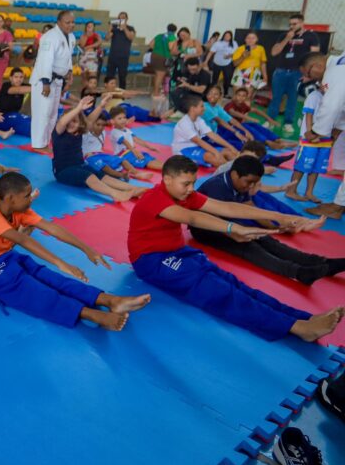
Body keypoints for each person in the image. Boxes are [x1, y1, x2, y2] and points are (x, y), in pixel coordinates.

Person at [127, 155, 342, 342]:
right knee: (219, 290)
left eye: (193, 182)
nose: (191, 188)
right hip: (151, 261)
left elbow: (227, 207)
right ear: (167, 179)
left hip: (179, 252)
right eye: (186, 183)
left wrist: (279, 216)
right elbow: (192, 217)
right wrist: (233, 228)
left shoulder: (185, 194)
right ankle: (295, 328)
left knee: (233, 283)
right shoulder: (154, 198)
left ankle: (302, 318)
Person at [0, 172, 150, 330]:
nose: (31, 199)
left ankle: (109, 300)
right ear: (11, 199)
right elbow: (23, 239)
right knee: (31, 289)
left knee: (51, 278)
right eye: (27, 196)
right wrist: (62, 263)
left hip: (7, 257)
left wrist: (86, 248)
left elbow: (52, 228)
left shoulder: (18, 210)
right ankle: (89, 314)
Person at [191, 155, 343, 285]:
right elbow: (212, 219)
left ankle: (322, 262)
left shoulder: (241, 185)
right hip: (206, 228)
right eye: (248, 182)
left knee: (267, 240)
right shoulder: (217, 186)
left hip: (228, 222)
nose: (251, 186)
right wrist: (234, 233)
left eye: (254, 183)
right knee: (250, 246)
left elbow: (251, 209)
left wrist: (272, 228)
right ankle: (299, 273)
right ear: (235, 174)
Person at [52, 96, 149, 202]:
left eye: (75, 121)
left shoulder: (79, 131)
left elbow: (90, 120)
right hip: (63, 170)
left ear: (80, 124)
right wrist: (79, 107)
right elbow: (62, 122)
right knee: (90, 177)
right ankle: (116, 194)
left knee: (103, 176)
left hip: (80, 165)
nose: (71, 124)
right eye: (69, 121)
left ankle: (133, 189)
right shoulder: (59, 132)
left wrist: (101, 106)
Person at [306, 51, 345, 220]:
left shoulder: (335, 71)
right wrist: (337, 129)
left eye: (308, 74)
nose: (309, 79)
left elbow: (332, 106)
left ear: (317, 66)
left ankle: (337, 207)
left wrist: (316, 131)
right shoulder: (339, 62)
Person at [30, 10, 76, 150]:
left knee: (52, 114)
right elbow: (45, 60)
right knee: (42, 113)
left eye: (73, 22)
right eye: (67, 22)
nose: (71, 25)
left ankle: (46, 141)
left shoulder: (71, 37)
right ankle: (38, 145)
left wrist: (69, 72)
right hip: (44, 81)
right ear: (59, 22)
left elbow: (68, 58)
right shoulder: (49, 37)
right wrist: (45, 82)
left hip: (58, 80)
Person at [268, 14, 321, 134]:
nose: (292, 26)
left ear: (302, 23)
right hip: (280, 71)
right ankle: (270, 120)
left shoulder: (311, 36)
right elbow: (274, 52)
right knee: (276, 98)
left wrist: (308, 74)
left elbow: (314, 56)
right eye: (290, 24)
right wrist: (287, 39)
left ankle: (288, 123)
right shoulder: (284, 35)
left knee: (292, 99)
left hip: (297, 73)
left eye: (294, 24)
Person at [82, 97, 152, 181]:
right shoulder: (86, 133)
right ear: (92, 124)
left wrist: (126, 121)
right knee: (104, 167)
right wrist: (100, 106)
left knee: (122, 160)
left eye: (103, 125)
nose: (101, 127)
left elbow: (114, 122)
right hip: (90, 157)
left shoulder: (103, 132)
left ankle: (137, 173)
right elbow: (87, 122)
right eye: (98, 125)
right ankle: (122, 175)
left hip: (101, 155)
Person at [286, 82, 332, 203]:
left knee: (317, 167)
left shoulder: (333, 98)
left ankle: (309, 192)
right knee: (302, 165)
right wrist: (310, 133)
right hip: (310, 138)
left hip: (325, 138)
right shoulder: (314, 96)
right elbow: (309, 114)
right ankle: (291, 190)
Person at [172, 94, 238, 167]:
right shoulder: (184, 123)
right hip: (184, 150)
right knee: (215, 158)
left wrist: (231, 147)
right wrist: (216, 152)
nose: (205, 108)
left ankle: (242, 170)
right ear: (193, 108)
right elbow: (198, 141)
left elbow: (212, 135)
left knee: (228, 152)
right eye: (202, 106)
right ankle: (233, 172)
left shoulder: (199, 120)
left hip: (197, 147)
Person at [0, 68, 32, 136]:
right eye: (16, 77)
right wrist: (37, 88)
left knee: (30, 120)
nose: (19, 79)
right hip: (2, 118)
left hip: (16, 115)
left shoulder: (24, 85)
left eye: (21, 77)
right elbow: (18, 90)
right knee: (25, 124)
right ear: (11, 78)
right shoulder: (6, 85)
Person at [105, 11, 135, 88]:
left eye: (123, 18)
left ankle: (122, 92)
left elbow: (131, 37)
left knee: (122, 76)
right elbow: (107, 38)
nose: (121, 19)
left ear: (127, 19)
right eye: (120, 18)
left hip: (123, 57)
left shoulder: (130, 28)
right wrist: (109, 29)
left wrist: (124, 28)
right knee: (110, 75)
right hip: (113, 56)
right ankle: (109, 91)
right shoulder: (114, 28)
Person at [206, 31, 238, 95]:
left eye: (229, 36)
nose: (227, 37)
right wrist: (206, 61)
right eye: (226, 35)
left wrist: (230, 56)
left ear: (231, 37)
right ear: (223, 36)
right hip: (217, 63)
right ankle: (212, 92)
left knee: (227, 79)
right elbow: (211, 52)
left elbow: (236, 53)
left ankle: (225, 93)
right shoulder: (218, 43)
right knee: (215, 79)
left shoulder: (234, 43)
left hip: (227, 64)